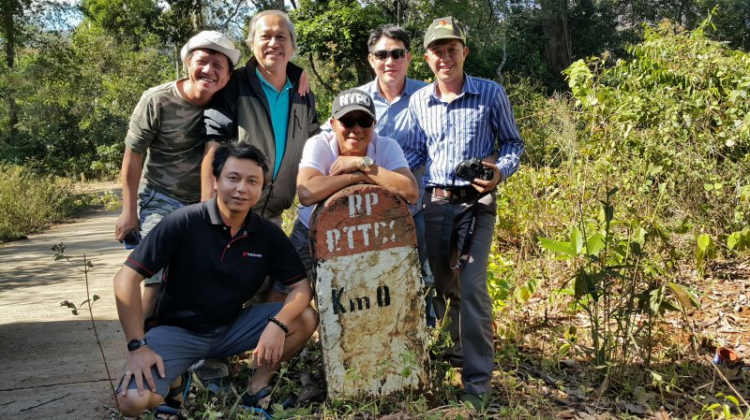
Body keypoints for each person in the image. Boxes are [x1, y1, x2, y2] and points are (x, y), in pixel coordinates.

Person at [113, 143, 318, 420]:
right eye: (233, 178)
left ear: (261, 188)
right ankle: (176, 384)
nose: (241, 188)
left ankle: (257, 385)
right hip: (176, 331)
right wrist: (137, 347)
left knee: (304, 318)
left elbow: (300, 288)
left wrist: (277, 324)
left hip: (231, 327)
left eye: (252, 181)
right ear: (215, 180)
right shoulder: (183, 223)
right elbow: (125, 279)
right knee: (132, 401)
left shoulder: (267, 235)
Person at [404, 17, 525, 409]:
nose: (445, 57)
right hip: (435, 202)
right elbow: (418, 154)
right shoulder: (420, 100)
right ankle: (446, 356)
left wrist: (498, 172)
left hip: (476, 205)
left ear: (464, 52)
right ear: (426, 58)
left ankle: (476, 383)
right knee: (440, 286)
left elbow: (512, 144)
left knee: (471, 287)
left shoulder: (490, 93)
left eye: (451, 49)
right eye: (437, 51)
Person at [113, 31, 240, 320]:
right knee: (156, 273)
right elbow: (133, 156)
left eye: (218, 66)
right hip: (160, 197)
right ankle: (142, 345)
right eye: (202, 62)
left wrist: (298, 73)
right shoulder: (157, 100)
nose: (209, 71)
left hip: (205, 202)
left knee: (204, 275)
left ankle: (198, 354)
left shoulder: (226, 101)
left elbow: (269, 69)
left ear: (228, 76)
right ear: (187, 64)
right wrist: (128, 211)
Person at [202, 9, 320, 226]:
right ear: (251, 44)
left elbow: (316, 146)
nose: (273, 43)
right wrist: (208, 213)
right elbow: (213, 146)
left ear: (292, 46)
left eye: (281, 37)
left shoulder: (304, 95)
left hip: (273, 219)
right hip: (229, 215)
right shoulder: (233, 87)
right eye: (265, 36)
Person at [292, 88, 418, 273]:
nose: (356, 129)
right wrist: (357, 177)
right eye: (348, 121)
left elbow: (411, 192)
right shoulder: (319, 144)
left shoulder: (387, 146)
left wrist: (361, 164)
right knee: (284, 291)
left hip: (370, 233)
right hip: (313, 231)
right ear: (333, 123)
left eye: (364, 121)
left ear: (374, 124)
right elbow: (307, 192)